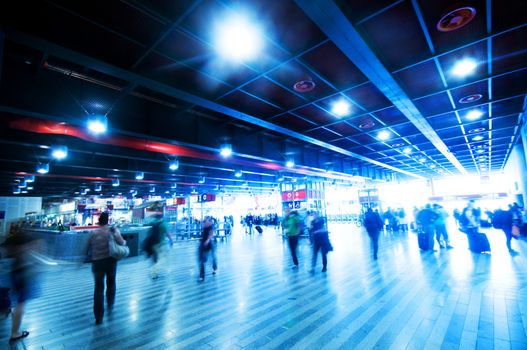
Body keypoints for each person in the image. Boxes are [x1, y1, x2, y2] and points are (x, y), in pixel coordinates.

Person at [1, 228, 42, 342]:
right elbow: (37, 249)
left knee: (14, 299)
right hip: (22, 273)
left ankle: (6, 312)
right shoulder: (26, 241)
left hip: (13, 272)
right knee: (20, 303)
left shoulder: (9, 241)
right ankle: (15, 333)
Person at [85, 212, 126, 325]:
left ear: (99, 220)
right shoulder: (112, 231)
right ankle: (110, 303)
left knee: (98, 288)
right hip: (110, 262)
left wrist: (83, 259)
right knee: (111, 283)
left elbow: (87, 247)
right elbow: (122, 242)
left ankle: (98, 317)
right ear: (108, 220)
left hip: (97, 263)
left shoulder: (93, 232)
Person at [148, 214, 173, 279]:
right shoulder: (163, 224)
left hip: (153, 244)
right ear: (162, 217)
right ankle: (157, 269)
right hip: (162, 244)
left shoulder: (153, 223)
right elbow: (168, 233)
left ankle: (154, 274)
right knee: (163, 258)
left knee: (155, 259)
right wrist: (171, 240)